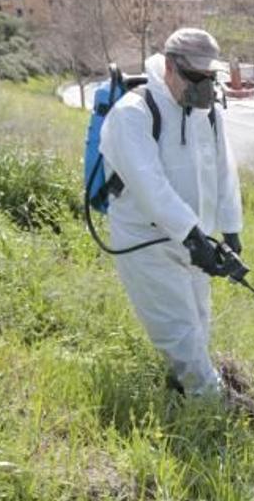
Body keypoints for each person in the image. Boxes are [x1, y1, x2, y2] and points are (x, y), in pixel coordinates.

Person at [98, 28, 243, 397]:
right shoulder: (133, 114)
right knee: (179, 331)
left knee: (198, 323)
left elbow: (224, 172)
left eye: (211, 78)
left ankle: (180, 391)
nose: (205, 87)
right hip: (145, 242)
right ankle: (212, 409)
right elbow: (151, 186)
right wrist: (193, 237)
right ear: (170, 68)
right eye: (196, 77)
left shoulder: (208, 114)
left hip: (194, 241)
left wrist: (230, 231)